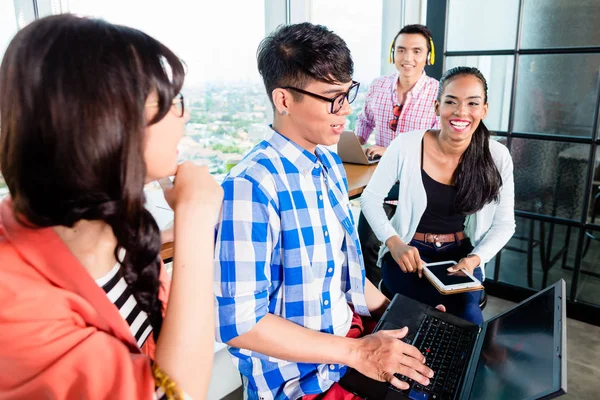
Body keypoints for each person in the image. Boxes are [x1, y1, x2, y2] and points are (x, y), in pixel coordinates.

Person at [213, 23, 442, 400]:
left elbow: (345, 272)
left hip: (347, 346)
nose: (346, 110)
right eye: (331, 98)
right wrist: (357, 352)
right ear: (284, 100)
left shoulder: (329, 164)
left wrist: (402, 314)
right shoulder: (250, 188)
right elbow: (241, 324)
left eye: (347, 93)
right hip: (301, 381)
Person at [0, 14, 222, 399]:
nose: (182, 117)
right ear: (109, 121)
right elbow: (175, 393)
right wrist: (196, 219)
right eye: (169, 103)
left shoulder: (120, 230)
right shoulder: (11, 295)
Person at [360, 66, 515, 326]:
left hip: (460, 256)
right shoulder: (406, 145)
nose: (461, 112)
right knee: (423, 311)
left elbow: (504, 224)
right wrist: (395, 244)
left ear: (484, 110)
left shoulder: (497, 156)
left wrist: (475, 259)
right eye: (451, 101)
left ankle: (459, 366)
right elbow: (370, 199)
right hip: (408, 254)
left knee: (467, 314)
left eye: (472, 103)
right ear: (436, 107)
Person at [355, 24, 440, 285]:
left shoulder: (438, 92)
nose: (408, 58)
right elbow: (366, 121)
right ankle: (377, 305)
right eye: (401, 50)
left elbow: (438, 145)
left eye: (417, 51)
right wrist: (354, 146)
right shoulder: (379, 86)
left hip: (419, 188)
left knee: (410, 253)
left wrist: (391, 151)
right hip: (380, 184)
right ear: (393, 53)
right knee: (366, 245)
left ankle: (405, 302)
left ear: (428, 56)